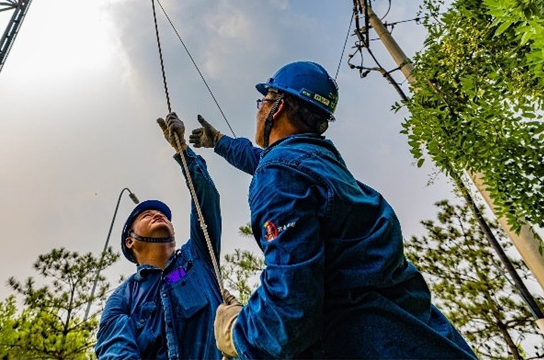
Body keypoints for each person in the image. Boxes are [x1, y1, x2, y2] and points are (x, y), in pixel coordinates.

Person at [189, 61, 477, 359]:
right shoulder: (319, 165)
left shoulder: (281, 174)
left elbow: (290, 310)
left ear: (277, 107)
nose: (259, 110)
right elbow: (265, 160)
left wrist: (237, 332)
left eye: (263, 101)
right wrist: (221, 143)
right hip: (424, 339)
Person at [95, 113, 224, 360]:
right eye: (146, 215)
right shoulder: (123, 298)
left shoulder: (197, 258)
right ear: (129, 241)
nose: (157, 214)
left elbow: (206, 198)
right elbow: (117, 352)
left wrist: (183, 150)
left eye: (162, 214)